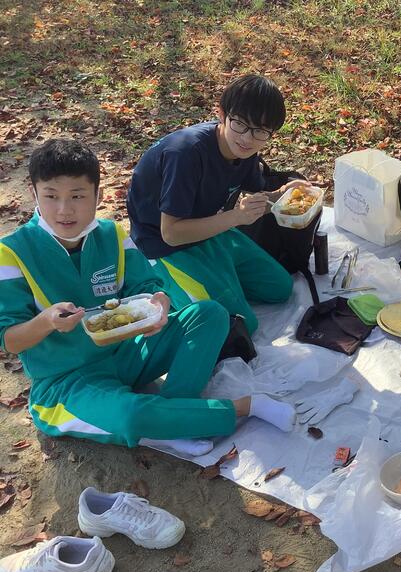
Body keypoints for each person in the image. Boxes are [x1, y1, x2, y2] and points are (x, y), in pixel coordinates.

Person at [0, 140, 296, 453]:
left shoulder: (111, 234)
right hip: (66, 381)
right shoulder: (12, 253)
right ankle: (243, 408)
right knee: (130, 415)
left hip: (127, 353)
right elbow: (10, 340)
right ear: (34, 194)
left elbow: (146, 287)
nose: (64, 209)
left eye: (77, 196)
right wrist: (47, 321)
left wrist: (159, 303)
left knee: (210, 314)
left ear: (98, 196)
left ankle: (172, 419)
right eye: (51, 196)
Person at [126, 74, 308, 334]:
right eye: (240, 124)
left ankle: (221, 282)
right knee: (241, 325)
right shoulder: (186, 154)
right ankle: (162, 281)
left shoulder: (243, 149)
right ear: (221, 114)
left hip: (212, 231)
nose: (248, 138)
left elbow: (255, 202)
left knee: (280, 288)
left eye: (261, 131)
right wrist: (235, 218)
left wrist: (281, 196)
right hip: (164, 246)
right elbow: (171, 233)